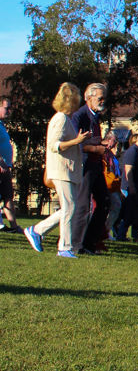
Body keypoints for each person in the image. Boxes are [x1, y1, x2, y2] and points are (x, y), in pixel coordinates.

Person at [24, 83, 89, 257]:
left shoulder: (66, 119)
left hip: (68, 170)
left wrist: (79, 140)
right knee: (70, 207)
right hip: (61, 170)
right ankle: (64, 247)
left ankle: (37, 230)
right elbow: (54, 145)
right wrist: (76, 141)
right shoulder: (60, 118)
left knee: (70, 207)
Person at [69, 83, 108, 254]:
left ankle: (90, 242)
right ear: (88, 97)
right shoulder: (79, 116)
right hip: (85, 165)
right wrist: (95, 147)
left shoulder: (95, 116)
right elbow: (74, 143)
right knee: (83, 205)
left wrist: (103, 142)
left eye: (104, 98)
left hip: (96, 165)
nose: (102, 101)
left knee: (105, 202)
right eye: (100, 98)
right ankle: (77, 244)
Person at [0, 95, 18, 233]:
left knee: (8, 196)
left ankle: (13, 226)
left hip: (6, 167)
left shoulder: (2, 125)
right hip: (2, 166)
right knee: (6, 196)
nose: (9, 111)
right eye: (7, 108)